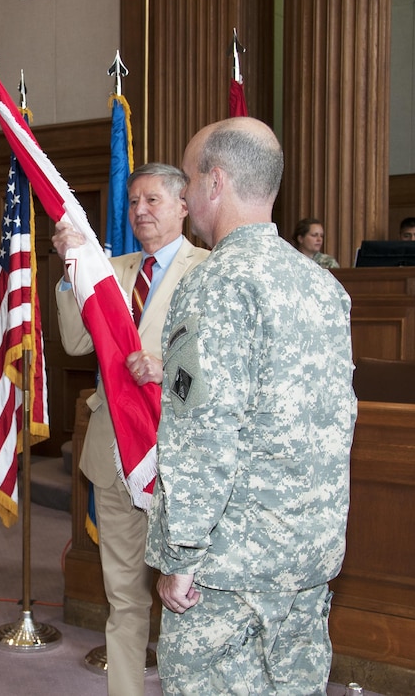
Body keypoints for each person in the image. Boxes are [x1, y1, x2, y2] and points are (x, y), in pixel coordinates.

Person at [130, 118, 356, 695]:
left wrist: (180, 551)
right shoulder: (323, 286)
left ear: (215, 182)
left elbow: (202, 432)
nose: (183, 196)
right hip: (308, 558)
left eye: (187, 182)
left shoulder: (214, 283)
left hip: (228, 569)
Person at [55, 162, 208, 696]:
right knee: (123, 599)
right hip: (111, 453)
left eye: (153, 201)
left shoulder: (209, 269)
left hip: (176, 463)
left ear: (184, 207)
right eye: (133, 202)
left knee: (184, 598)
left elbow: (224, 365)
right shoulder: (108, 270)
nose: (140, 211)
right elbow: (76, 343)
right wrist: (71, 267)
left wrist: (169, 372)